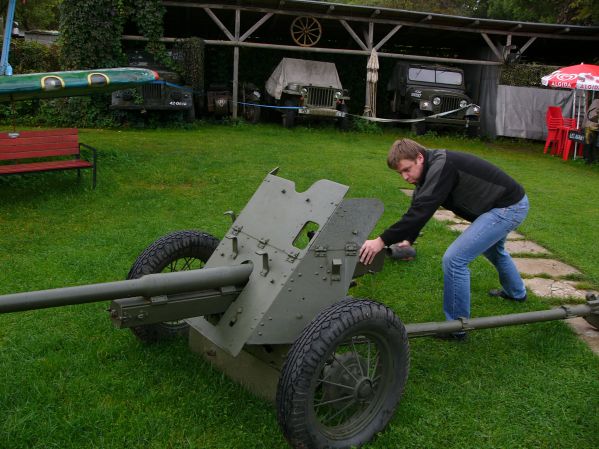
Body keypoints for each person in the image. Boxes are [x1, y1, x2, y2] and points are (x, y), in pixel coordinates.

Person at [359, 138, 529, 341]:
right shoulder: (429, 169)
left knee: (455, 260)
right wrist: (409, 238)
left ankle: (456, 328)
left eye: (406, 170)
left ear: (419, 158)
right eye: (400, 173)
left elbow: (422, 210)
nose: (404, 177)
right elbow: (419, 205)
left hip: (508, 207)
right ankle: (517, 293)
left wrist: (381, 241)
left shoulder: (441, 166)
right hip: (498, 205)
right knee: (494, 251)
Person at [583, 96, 599, 164]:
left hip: (588, 125)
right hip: (594, 127)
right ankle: (591, 159)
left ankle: (587, 159)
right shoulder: (596, 104)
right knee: (593, 144)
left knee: (589, 143)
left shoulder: (594, 103)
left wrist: (583, 125)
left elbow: (586, 115)